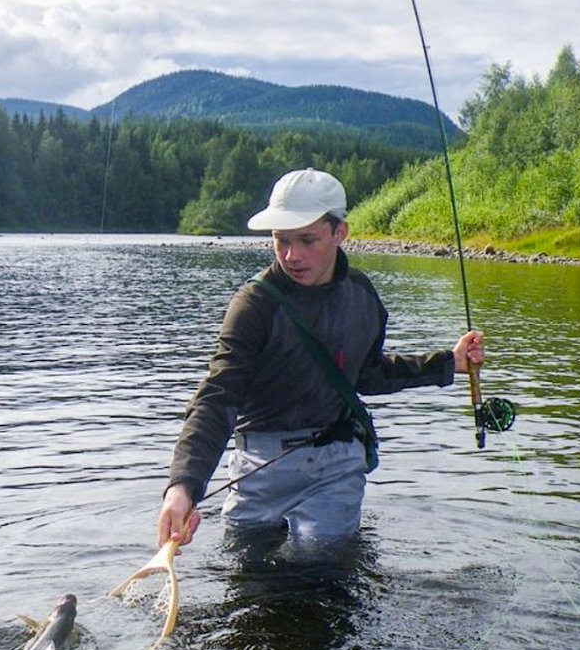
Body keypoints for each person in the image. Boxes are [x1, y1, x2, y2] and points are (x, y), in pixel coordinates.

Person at [156, 167, 484, 549]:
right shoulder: (254, 305)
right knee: (247, 571)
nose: (292, 255)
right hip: (259, 465)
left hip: (337, 463)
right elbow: (217, 397)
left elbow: (368, 375)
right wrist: (182, 487)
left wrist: (449, 363)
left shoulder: (362, 297)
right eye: (281, 240)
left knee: (320, 569)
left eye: (308, 240)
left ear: (339, 233)